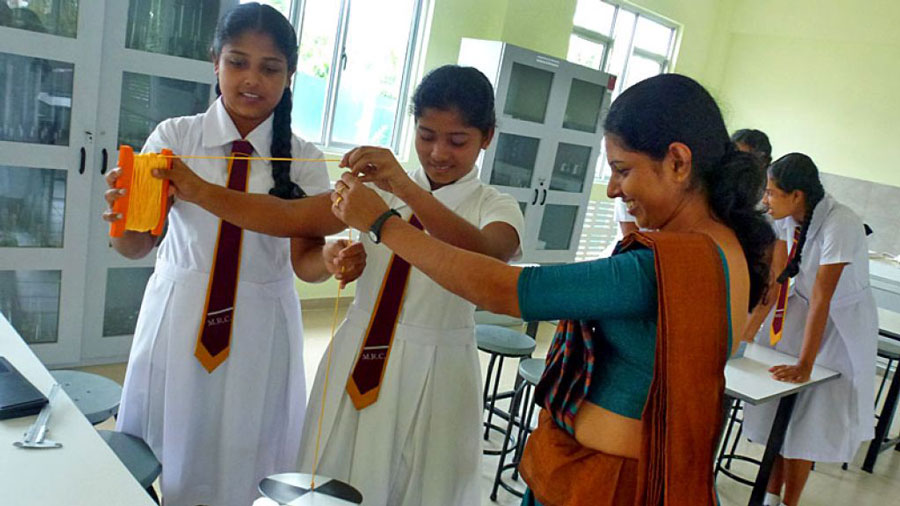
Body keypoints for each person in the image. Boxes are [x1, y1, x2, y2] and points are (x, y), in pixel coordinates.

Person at [330, 73, 776, 505]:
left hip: (613, 482)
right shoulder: (724, 247)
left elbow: (504, 288)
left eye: (622, 170)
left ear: (678, 162)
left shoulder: (665, 265)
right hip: (605, 471)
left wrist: (381, 223)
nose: (614, 189)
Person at [156, 64, 524, 505]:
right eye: (426, 136)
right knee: (332, 475)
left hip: (439, 366)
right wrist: (199, 191)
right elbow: (287, 217)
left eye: (457, 140)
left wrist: (405, 190)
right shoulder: (376, 190)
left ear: (487, 137)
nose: (438, 152)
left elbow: (488, 255)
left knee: (423, 484)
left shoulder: (493, 204)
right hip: (356, 354)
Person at [104, 4, 364, 505]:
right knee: (167, 443)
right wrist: (121, 215)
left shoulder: (304, 159)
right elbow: (134, 246)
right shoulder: (176, 138)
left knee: (247, 450)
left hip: (259, 328)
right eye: (237, 62)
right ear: (215, 62)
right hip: (179, 318)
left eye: (270, 68)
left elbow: (304, 265)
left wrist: (328, 261)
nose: (251, 79)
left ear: (289, 77)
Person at [741, 153, 877, 506]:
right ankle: (770, 498)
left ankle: (790, 502)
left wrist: (804, 364)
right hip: (804, 318)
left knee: (806, 424)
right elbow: (775, 282)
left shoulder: (840, 223)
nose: (765, 200)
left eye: (771, 193)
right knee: (778, 417)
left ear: (797, 195)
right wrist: (745, 335)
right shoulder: (788, 220)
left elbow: (823, 299)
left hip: (838, 329)